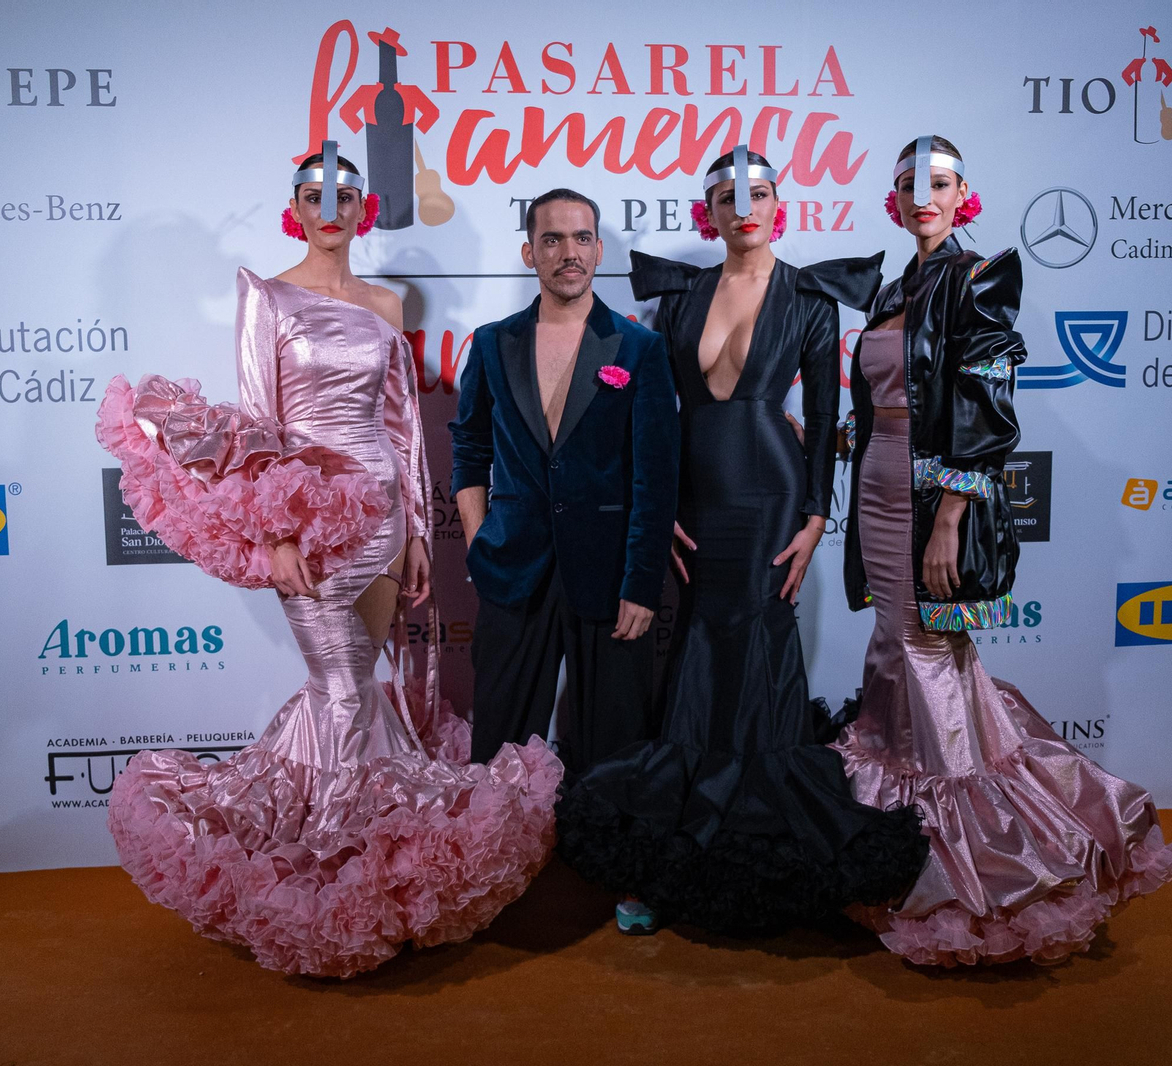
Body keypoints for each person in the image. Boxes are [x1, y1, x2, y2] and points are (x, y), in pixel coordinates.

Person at [94, 145, 561, 979]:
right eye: (317, 195)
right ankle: (333, 876)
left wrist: (418, 527)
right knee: (340, 686)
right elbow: (257, 416)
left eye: (347, 195)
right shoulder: (264, 294)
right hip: (308, 518)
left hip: (380, 511)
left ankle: (372, 868)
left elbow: (403, 424)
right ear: (298, 208)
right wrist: (274, 534)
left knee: (360, 688)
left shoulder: (385, 299)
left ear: (363, 210)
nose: (333, 207)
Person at [554, 148, 930, 936]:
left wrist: (817, 518)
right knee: (695, 642)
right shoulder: (681, 295)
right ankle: (674, 850)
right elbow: (656, 413)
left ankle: (767, 845)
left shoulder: (809, 295)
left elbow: (826, 419)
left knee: (756, 640)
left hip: (770, 493)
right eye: (727, 196)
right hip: (692, 494)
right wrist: (655, 514)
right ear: (710, 212)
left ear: (776, 204)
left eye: (758, 193)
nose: (743, 207)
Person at [836, 135, 1172, 966]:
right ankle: (913, 844)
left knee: (920, 646)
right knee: (912, 656)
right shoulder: (893, 286)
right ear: (893, 200)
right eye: (909, 185)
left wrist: (953, 513)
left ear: (965, 195)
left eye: (941, 181)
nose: (924, 194)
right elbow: (887, 398)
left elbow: (986, 404)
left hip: (934, 499)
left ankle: (974, 870)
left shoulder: (980, 276)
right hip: (878, 489)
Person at [450, 188, 679, 775]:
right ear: (530, 252)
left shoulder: (639, 348)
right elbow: (470, 451)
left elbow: (656, 479)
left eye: (581, 239)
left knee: (616, 754)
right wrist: (479, 545)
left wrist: (643, 584)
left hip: (610, 574)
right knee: (499, 752)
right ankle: (504, 857)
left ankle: (602, 856)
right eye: (552, 239)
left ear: (600, 249)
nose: (568, 252)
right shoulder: (493, 343)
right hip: (512, 565)